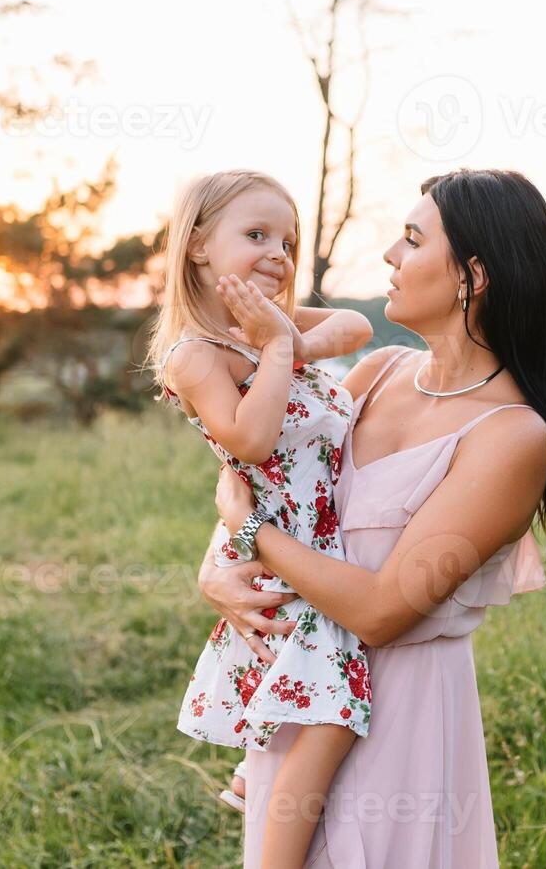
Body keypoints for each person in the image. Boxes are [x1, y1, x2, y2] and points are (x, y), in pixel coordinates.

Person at [201, 168, 546, 867]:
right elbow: (275, 482)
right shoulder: (375, 373)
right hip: (304, 693)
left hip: (401, 724)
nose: (389, 254)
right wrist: (217, 572)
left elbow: (385, 611)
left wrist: (249, 534)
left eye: (412, 240)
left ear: (471, 276)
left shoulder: (511, 436)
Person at [147, 169, 375, 868]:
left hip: (315, 541)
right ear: (198, 247)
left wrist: (286, 338)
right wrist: (276, 350)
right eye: (255, 235)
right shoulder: (196, 353)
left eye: (287, 239)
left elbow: (358, 325)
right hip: (282, 550)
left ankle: (262, 783)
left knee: (322, 699)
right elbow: (248, 439)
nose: (278, 252)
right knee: (336, 711)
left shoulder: (266, 325)